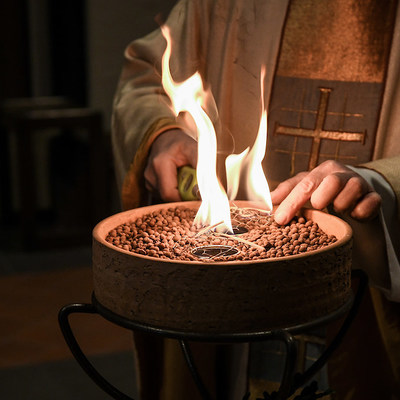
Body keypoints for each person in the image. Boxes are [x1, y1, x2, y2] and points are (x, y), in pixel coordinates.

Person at [112, 0, 400, 398]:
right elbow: (145, 75)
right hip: (223, 321)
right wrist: (162, 134)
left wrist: (381, 182)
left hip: (367, 311)